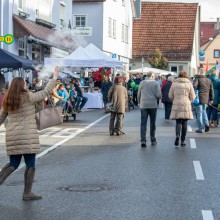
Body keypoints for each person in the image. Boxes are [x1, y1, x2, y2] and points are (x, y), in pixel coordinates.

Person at [0, 66, 60, 201]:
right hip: (28, 137)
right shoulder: (29, 97)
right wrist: (54, 77)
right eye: (25, 83)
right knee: (30, 164)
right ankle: (27, 193)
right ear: (22, 86)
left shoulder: (7, 100)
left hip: (13, 137)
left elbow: (1, 118)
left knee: (13, 164)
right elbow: (46, 92)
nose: (26, 85)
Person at [169, 71, 196, 147]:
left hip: (177, 104)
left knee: (178, 122)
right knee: (184, 123)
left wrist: (174, 99)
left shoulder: (174, 84)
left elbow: (170, 95)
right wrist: (190, 100)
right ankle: (183, 140)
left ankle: (177, 135)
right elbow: (193, 97)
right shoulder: (189, 84)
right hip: (186, 104)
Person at [137, 71, 162, 147]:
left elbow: (139, 94)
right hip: (152, 105)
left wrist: (139, 102)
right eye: (154, 75)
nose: (154, 77)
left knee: (143, 123)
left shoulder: (142, 83)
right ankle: (152, 139)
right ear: (151, 76)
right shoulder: (156, 83)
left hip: (143, 104)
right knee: (152, 123)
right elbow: (158, 95)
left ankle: (143, 140)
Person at [193, 68, 214, 133]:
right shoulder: (209, 80)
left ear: (199, 72)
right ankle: (207, 124)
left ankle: (201, 128)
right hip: (206, 99)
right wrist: (211, 99)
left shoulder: (198, 79)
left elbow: (194, 86)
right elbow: (211, 90)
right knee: (204, 112)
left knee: (199, 113)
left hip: (198, 99)